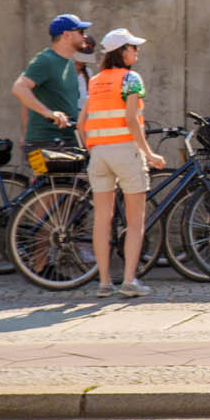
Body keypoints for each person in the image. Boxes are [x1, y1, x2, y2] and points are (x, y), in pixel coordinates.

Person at [79, 28, 165, 298]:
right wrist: (149, 154)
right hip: (125, 152)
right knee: (134, 220)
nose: (136, 51)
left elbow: (82, 124)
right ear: (122, 51)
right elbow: (130, 120)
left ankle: (104, 282)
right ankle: (129, 280)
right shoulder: (131, 79)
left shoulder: (95, 81)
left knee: (102, 220)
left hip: (99, 154)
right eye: (133, 47)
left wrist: (92, 146)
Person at [12, 13, 95, 147]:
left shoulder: (69, 63)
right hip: (47, 143)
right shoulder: (46, 60)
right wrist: (49, 113)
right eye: (81, 32)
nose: (84, 36)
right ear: (67, 35)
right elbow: (19, 88)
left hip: (68, 140)